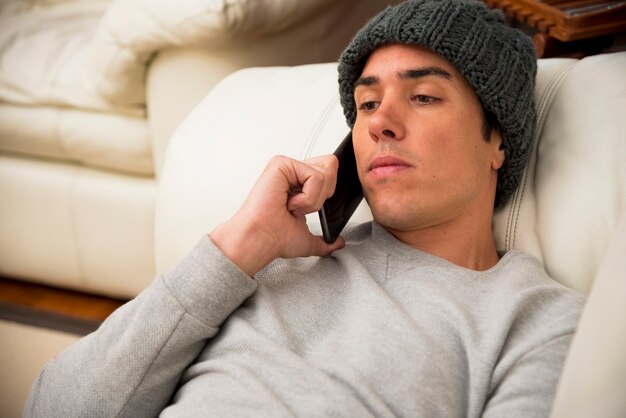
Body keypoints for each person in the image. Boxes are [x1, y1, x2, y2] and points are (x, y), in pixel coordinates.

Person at [24, 0, 584, 417]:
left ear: (499, 141)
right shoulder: (260, 263)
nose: (380, 121)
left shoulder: (536, 320)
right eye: (366, 103)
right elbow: (55, 408)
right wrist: (239, 246)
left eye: (423, 96)